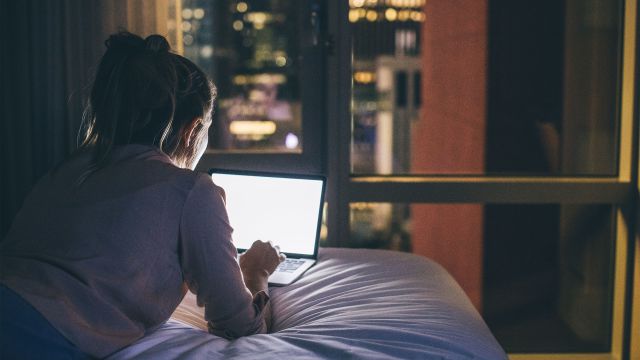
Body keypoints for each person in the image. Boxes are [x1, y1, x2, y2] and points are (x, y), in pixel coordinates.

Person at [0, 31, 285, 359]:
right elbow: (240, 327)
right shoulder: (190, 190)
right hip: (35, 338)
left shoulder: (64, 170)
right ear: (191, 130)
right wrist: (256, 271)